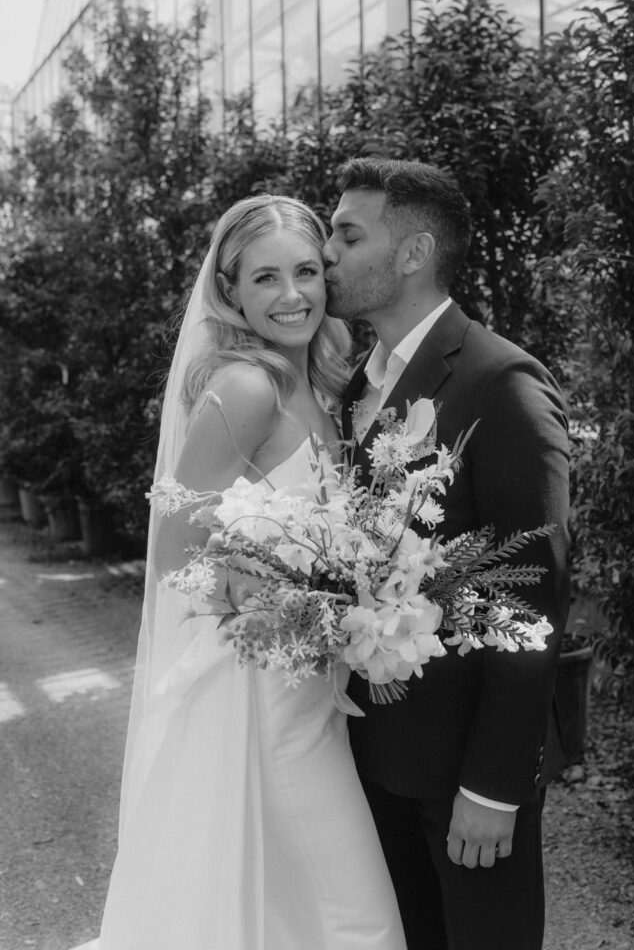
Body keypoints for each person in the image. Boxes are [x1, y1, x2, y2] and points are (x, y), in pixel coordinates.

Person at [96, 195, 407, 950]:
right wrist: (276, 603)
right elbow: (174, 552)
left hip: (315, 693)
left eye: (305, 271)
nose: (291, 294)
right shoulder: (247, 388)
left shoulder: (328, 385)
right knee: (355, 916)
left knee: (299, 914)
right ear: (229, 289)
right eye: (265, 278)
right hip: (262, 700)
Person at [323, 157, 570, 950]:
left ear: (412, 253)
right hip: (371, 759)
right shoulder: (350, 387)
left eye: (345, 233)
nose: (326, 251)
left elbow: (530, 598)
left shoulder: (499, 383)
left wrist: (494, 787)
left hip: (462, 770)